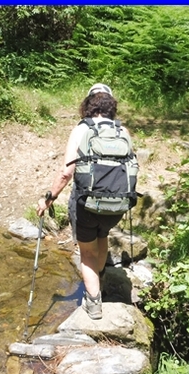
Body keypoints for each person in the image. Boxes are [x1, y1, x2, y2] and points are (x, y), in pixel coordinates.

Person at [36, 83, 134, 320]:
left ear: (88, 104)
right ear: (111, 105)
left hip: (86, 204)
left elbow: (65, 173)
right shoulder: (123, 131)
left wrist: (48, 199)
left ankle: (93, 303)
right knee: (102, 237)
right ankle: (99, 279)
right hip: (117, 205)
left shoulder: (82, 128)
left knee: (87, 252)